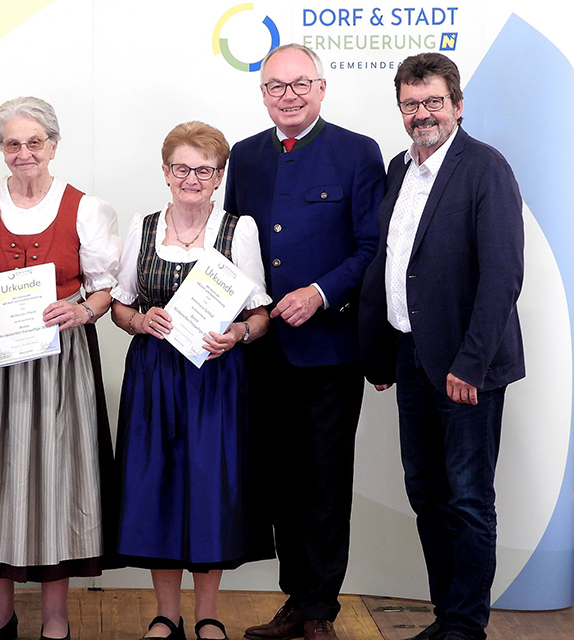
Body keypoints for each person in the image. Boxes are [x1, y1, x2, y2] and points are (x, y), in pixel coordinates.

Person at [0, 96, 120, 640]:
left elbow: (105, 289)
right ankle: (0, 611)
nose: (24, 152)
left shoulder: (86, 208)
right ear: (1, 149)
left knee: (58, 478)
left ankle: (56, 614)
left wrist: (80, 309)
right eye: (13, 143)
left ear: (53, 145)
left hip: (59, 362)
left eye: (35, 141)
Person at [358, 53, 524, 640]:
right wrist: (381, 355)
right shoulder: (398, 171)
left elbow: (503, 275)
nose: (421, 113)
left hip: (465, 367)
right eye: (411, 103)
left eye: (433, 102)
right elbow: (389, 265)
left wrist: (470, 365)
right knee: (427, 493)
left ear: (457, 105)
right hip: (411, 357)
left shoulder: (485, 168)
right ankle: (446, 616)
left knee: (469, 498)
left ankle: (466, 626)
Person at [223, 44, 385, 640]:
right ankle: (296, 601)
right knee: (280, 481)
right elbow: (234, 250)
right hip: (263, 350)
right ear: (262, 93)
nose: (287, 96)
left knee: (322, 481)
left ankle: (320, 610)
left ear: (321, 87)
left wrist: (320, 292)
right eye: (275, 86)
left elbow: (372, 248)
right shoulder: (244, 156)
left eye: (299, 84)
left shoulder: (357, 152)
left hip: (329, 350)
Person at [111, 121, 274, 640]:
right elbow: (119, 303)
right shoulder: (142, 225)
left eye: (205, 170)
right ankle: (167, 614)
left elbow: (261, 313)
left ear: (219, 175)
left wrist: (240, 336)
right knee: (156, 486)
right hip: (155, 377)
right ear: (165, 172)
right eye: (183, 168)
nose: (193, 178)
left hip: (215, 378)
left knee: (210, 489)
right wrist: (138, 320)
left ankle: (206, 614)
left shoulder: (238, 229)